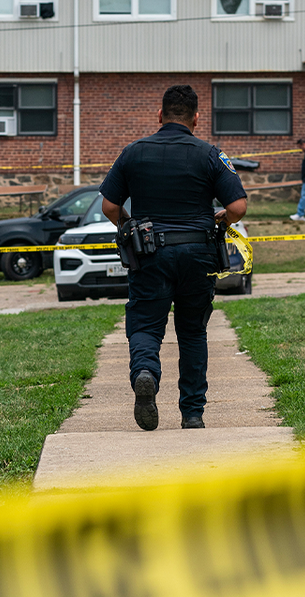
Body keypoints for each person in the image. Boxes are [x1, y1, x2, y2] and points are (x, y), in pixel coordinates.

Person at [100, 84, 248, 431]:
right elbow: (237, 207)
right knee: (193, 332)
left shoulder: (133, 152)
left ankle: (146, 372)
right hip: (198, 253)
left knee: (146, 325)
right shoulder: (210, 154)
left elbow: (109, 205)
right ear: (196, 118)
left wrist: (129, 225)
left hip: (149, 252)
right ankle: (192, 413)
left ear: (159, 115)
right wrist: (220, 219)